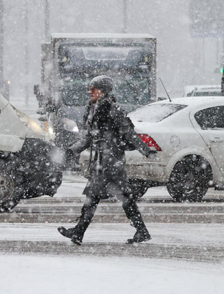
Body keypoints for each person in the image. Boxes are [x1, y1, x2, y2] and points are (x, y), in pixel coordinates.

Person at [57, 75, 157, 245]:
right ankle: (141, 230)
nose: (90, 92)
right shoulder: (91, 109)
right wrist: (72, 150)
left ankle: (79, 232)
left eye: (94, 89)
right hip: (101, 161)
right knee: (122, 197)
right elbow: (88, 137)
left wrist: (146, 150)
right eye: (90, 88)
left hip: (111, 162)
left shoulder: (113, 110)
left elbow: (129, 133)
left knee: (94, 196)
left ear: (103, 92)